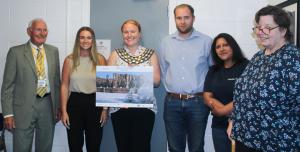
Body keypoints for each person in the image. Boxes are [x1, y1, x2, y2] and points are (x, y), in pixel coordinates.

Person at [228, 5, 300, 152]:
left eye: (268, 27)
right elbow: (242, 93)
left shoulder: (293, 60)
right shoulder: (258, 57)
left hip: (275, 143)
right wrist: (233, 121)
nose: (261, 32)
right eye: (258, 27)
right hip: (245, 139)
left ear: (283, 30)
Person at [158, 4, 212, 152]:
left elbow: (213, 72)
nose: (182, 21)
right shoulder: (166, 42)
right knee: (175, 148)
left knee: (196, 147)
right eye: (179, 18)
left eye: (186, 17)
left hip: (198, 103)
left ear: (193, 18)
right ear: (175, 19)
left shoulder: (207, 42)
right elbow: (163, 70)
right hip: (172, 102)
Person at [1, 18, 61, 152]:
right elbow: (7, 86)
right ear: (29, 31)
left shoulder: (53, 51)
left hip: (47, 105)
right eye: (38, 29)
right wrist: (7, 114)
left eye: (45, 30)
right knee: (21, 147)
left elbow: (57, 82)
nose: (42, 33)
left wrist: (58, 107)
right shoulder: (15, 52)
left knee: (45, 147)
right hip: (22, 108)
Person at [107, 19, 160, 152]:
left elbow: (157, 81)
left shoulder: (150, 54)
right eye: (126, 32)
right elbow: (108, 83)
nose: (129, 35)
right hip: (120, 109)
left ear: (139, 34)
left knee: (142, 147)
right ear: (122, 34)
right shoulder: (115, 54)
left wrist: (136, 72)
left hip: (144, 109)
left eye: (132, 31)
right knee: (123, 147)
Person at [60, 26, 108, 152]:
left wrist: (104, 109)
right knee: (75, 145)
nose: (85, 41)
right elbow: (64, 86)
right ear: (78, 40)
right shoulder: (69, 60)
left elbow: (105, 86)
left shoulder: (100, 59)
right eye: (82, 37)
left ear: (93, 40)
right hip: (75, 103)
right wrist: (64, 111)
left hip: (95, 104)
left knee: (94, 145)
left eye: (88, 38)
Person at [203, 33, 248, 152]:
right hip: (219, 126)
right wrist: (228, 113)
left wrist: (222, 111)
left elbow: (246, 97)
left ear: (233, 46)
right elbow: (207, 97)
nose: (221, 49)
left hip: (242, 125)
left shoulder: (247, 66)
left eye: (225, 45)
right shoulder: (213, 70)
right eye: (218, 47)